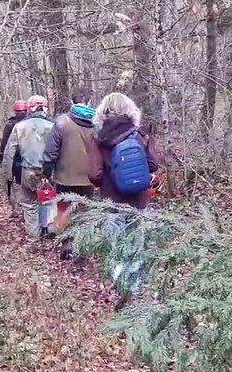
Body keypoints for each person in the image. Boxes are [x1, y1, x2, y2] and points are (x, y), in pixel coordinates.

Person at [92, 92, 159, 309]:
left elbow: (94, 173)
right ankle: (135, 289)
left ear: (103, 111)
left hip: (112, 201)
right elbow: (153, 164)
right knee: (136, 244)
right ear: (130, 109)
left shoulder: (99, 138)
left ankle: (122, 288)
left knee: (115, 246)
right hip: (139, 200)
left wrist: (109, 180)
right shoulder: (140, 133)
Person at [42, 89, 98, 257]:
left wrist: (46, 172)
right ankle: (82, 247)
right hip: (89, 178)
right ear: (89, 102)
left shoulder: (61, 122)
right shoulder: (97, 124)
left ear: (73, 103)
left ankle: (67, 247)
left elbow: (51, 152)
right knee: (84, 211)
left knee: (64, 210)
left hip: (65, 177)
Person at [1, 95, 54, 239]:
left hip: (28, 171)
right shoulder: (54, 126)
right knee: (47, 200)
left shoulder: (19, 127)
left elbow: (9, 152)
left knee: (30, 204)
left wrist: (8, 175)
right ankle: (47, 230)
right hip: (49, 172)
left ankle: (34, 236)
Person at [0, 100, 28, 201]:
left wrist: (2, 159)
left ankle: (17, 205)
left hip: (15, 159)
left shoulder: (10, 125)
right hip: (27, 159)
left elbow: (4, 145)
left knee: (15, 183)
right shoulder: (30, 124)